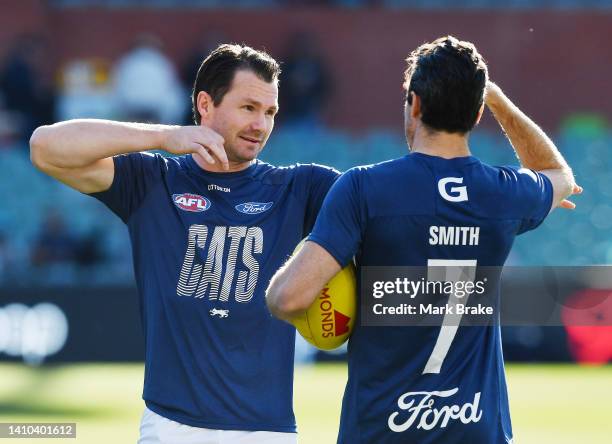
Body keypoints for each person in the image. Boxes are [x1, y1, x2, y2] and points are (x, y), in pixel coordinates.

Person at [266, 36, 581, 443]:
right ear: (478, 111)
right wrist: (500, 102)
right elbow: (561, 177)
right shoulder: (502, 193)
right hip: (476, 430)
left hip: (382, 430)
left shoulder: (363, 188)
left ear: (414, 103)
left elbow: (287, 298)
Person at [30, 44, 339, 444]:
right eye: (248, 108)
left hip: (268, 432)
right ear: (205, 104)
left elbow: (381, 211)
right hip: (171, 428)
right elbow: (44, 147)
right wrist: (163, 136)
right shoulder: (154, 180)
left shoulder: (300, 187)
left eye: (270, 112)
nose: (260, 125)